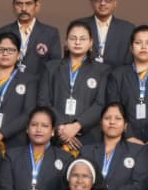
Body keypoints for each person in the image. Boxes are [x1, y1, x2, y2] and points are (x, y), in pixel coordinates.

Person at [40, 20, 107, 153]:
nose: (77, 42)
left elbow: (100, 104)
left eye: (83, 39)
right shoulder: (51, 67)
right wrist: (61, 127)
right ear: (66, 41)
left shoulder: (102, 70)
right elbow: (44, 101)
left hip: (88, 137)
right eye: (73, 38)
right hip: (56, 135)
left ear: (91, 43)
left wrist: (77, 125)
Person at [106, 25, 148, 142]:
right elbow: (113, 109)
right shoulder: (118, 75)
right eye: (138, 43)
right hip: (125, 141)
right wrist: (129, 136)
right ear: (131, 47)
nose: (143, 47)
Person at [0, 0, 61, 77]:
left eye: (28, 4)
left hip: (39, 85)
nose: (24, 9)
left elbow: (54, 68)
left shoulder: (50, 33)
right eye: (19, 4)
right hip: (9, 84)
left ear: (37, 6)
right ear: (13, 6)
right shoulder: (1, 33)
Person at [81, 0, 136, 68]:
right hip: (85, 75)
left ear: (115, 3)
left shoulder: (128, 29)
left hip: (118, 75)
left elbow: (129, 63)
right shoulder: (79, 26)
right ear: (91, 1)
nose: (103, 3)